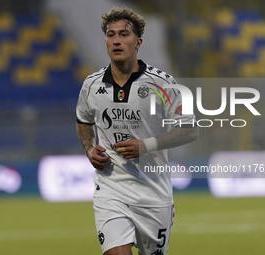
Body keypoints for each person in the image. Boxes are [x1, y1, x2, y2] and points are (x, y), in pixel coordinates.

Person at [76, 6, 198, 255]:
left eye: (124, 34)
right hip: (111, 190)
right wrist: (89, 149)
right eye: (111, 35)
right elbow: (83, 120)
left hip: (154, 193)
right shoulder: (91, 85)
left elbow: (190, 130)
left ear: (138, 41)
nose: (116, 40)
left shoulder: (163, 84)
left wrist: (146, 145)